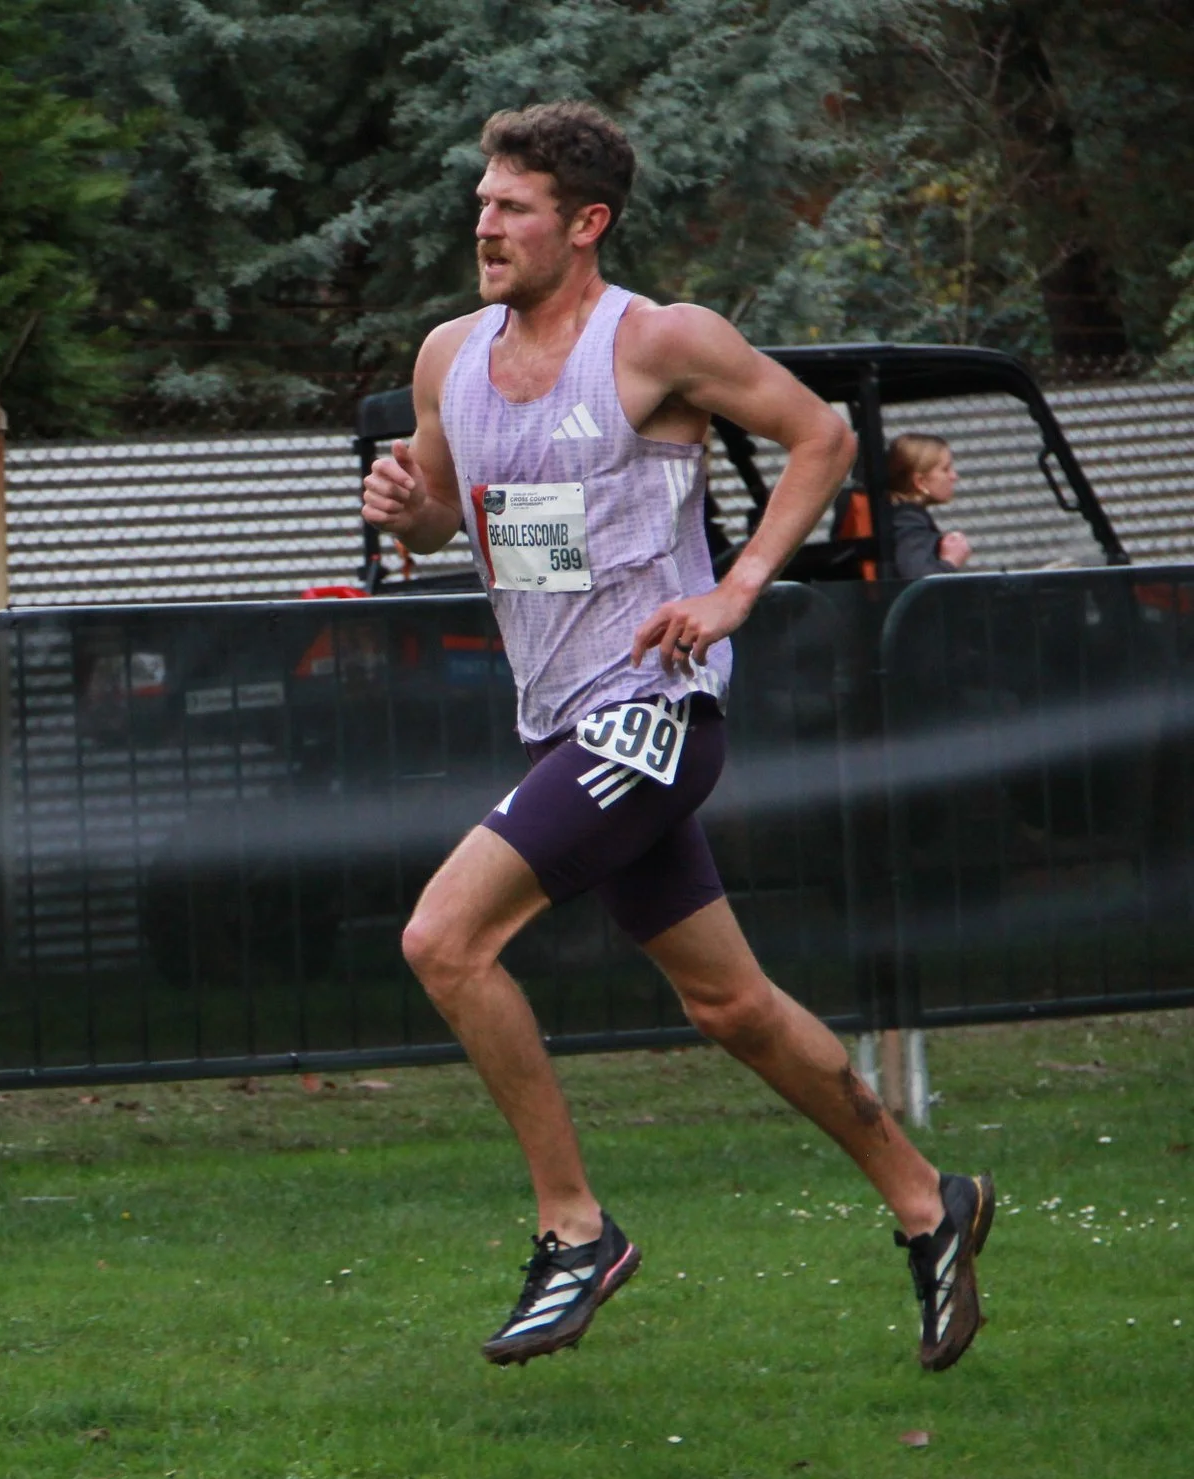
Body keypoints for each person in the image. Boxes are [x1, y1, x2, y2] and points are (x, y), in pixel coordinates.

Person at [360, 102, 993, 1371]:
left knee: (443, 937)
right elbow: (438, 518)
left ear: (585, 223)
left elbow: (822, 436)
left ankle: (574, 1228)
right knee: (730, 1003)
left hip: (653, 710)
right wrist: (402, 505)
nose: (484, 226)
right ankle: (931, 1200)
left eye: (514, 207)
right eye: (482, 203)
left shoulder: (657, 341)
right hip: (560, 723)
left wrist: (735, 589)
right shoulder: (448, 356)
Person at [886, 432, 974, 579]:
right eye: (945, 469)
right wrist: (950, 561)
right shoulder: (909, 521)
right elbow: (918, 579)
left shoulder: (903, 516)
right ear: (920, 482)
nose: (954, 476)